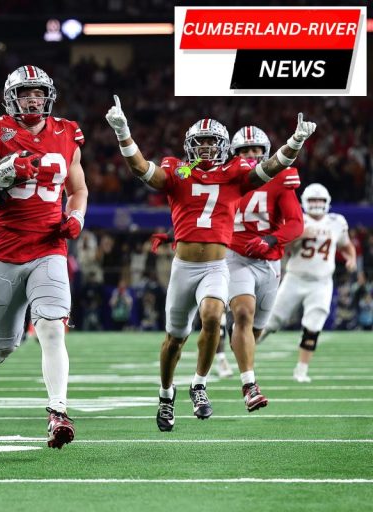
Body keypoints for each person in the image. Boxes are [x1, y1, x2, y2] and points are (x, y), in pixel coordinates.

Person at [105, 96, 316, 431]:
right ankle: (166, 394)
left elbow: (270, 167)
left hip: (217, 266)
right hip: (183, 267)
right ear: (190, 146)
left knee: (214, 318)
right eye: (199, 143)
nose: (205, 148)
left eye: (211, 142)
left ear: (221, 146)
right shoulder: (178, 170)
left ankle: (199, 385)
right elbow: (142, 169)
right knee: (174, 339)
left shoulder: (235, 173)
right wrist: (124, 133)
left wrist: (294, 142)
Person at [0, 65, 87, 448]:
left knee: (51, 327)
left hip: (49, 246)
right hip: (5, 249)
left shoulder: (68, 132)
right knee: (5, 345)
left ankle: (58, 412)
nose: (33, 98)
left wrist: (76, 217)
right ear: (11, 99)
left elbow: (78, 188)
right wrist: (3, 174)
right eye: (25, 93)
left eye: (38, 92)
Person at [225, 125, 304, 411]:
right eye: (245, 150)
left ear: (267, 152)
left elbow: (296, 223)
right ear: (234, 154)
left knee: (254, 330)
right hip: (234, 256)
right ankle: (250, 386)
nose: (251, 155)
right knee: (244, 314)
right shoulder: (227, 178)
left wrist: (270, 238)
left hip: (270, 261)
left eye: (256, 149)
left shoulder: (280, 177)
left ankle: (231, 346)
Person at [259, 183, 357, 383]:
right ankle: (244, 351)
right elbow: (282, 249)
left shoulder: (337, 222)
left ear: (327, 202)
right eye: (313, 200)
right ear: (304, 202)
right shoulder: (297, 220)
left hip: (321, 282)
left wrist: (351, 259)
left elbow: (346, 246)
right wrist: (297, 235)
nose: (316, 204)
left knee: (313, 325)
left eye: (320, 200)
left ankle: (301, 370)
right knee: (271, 322)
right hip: (295, 278)